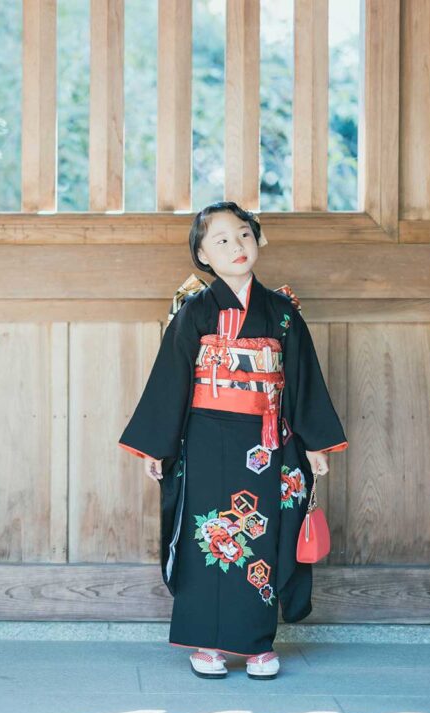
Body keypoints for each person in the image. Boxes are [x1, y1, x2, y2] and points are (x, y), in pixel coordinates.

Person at [118, 201, 348, 680]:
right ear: (203, 256)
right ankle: (207, 645)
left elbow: (303, 381)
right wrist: (158, 445)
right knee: (209, 537)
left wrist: (314, 444)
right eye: (220, 240)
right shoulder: (195, 311)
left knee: (263, 537)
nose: (236, 246)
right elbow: (172, 379)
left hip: (267, 443)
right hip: (204, 441)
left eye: (244, 234)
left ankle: (257, 643)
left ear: (257, 239)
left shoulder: (283, 313)